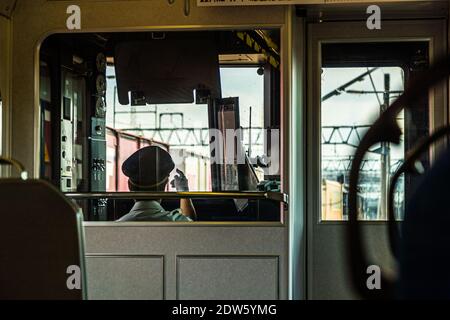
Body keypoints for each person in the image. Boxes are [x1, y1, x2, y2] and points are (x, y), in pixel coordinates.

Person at [117, 146, 196, 222]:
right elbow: (191, 225)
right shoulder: (175, 222)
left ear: (130, 186)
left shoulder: (117, 225)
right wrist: (184, 191)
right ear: (164, 185)